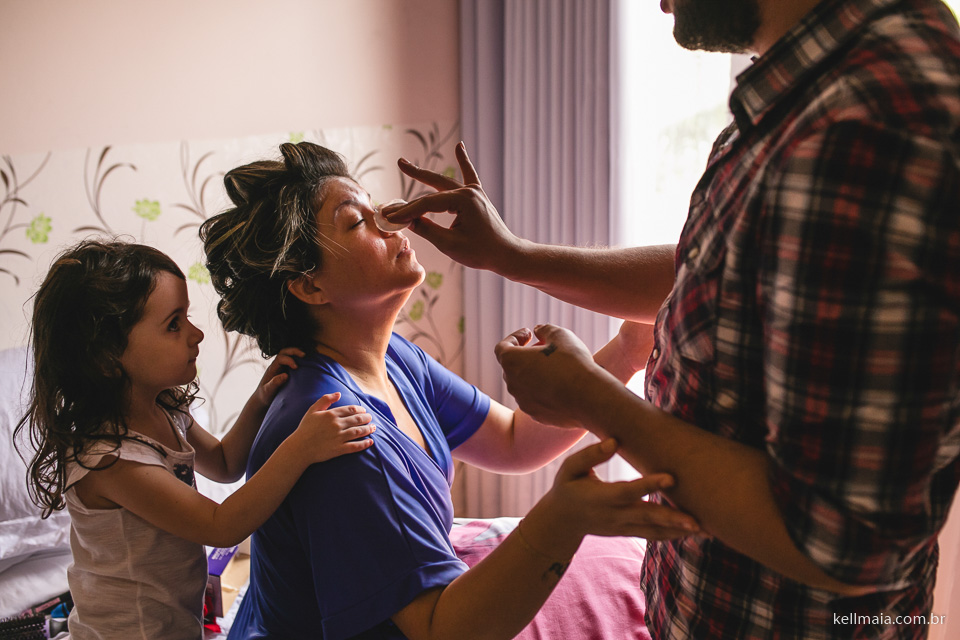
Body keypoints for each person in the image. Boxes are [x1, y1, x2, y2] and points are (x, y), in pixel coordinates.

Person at [384, 0, 960, 637]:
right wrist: (513, 257)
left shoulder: (867, 125)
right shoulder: (801, 96)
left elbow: (837, 536)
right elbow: (717, 267)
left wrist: (588, 395)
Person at [199, 141, 701, 640]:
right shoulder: (340, 433)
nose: (390, 223)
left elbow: (513, 441)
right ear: (310, 288)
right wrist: (559, 519)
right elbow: (443, 630)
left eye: (377, 210)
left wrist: (630, 349)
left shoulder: (391, 357)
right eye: (357, 223)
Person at [15, 239, 377, 639]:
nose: (197, 333)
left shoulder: (166, 409)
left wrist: (259, 401)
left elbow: (224, 464)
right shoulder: (111, 461)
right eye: (174, 324)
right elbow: (220, 526)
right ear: (106, 358)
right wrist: (302, 447)